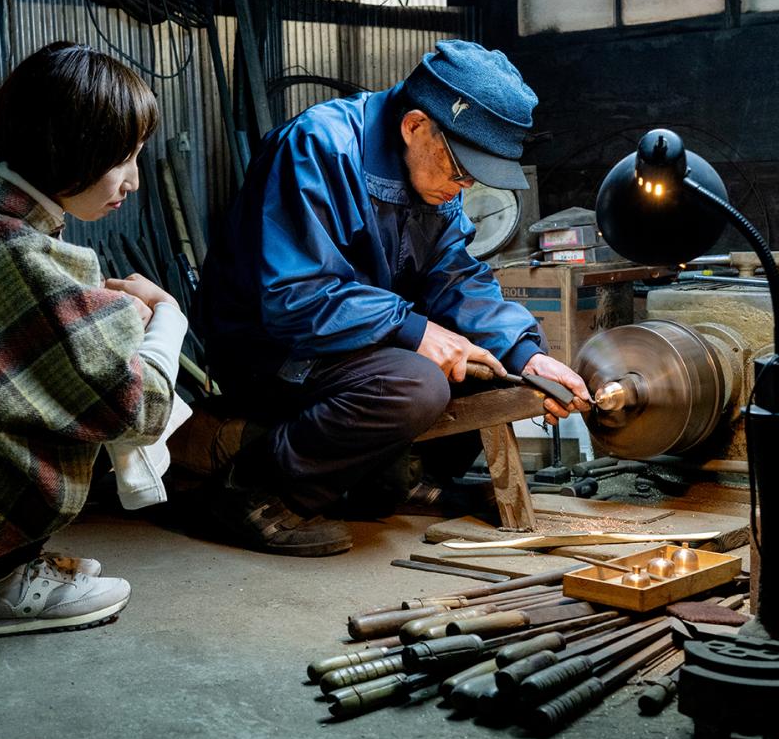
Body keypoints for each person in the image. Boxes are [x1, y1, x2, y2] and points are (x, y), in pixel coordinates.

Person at [195, 39, 590, 556]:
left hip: (353, 336)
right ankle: (252, 492)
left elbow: (456, 279)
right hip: (271, 348)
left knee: (488, 365)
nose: (464, 186)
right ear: (415, 126)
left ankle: (400, 480)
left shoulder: (432, 179)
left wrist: (527, 355)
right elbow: (295, 296)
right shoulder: (320, 146)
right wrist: (416, 332)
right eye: (460, 171)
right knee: (419, 383)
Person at [0, 41, 186, 637]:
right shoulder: (3, 245)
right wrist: (166, 313)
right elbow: (132, 406)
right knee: (71, 404)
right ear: (75, 154)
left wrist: (105, 317)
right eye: (125, 158)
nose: (134, 181)